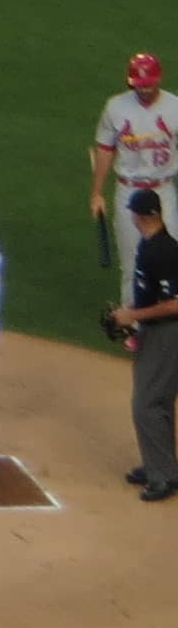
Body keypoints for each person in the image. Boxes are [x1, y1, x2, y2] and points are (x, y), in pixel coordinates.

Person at [93, 55, 178, 311]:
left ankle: (170, 318)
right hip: (129, 190)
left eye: (148, 82)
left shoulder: (175, 107)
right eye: (139, 83)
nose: (143, 88)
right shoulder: (115, 107)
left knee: (172, 254)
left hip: (163, 188)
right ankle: (133, 321)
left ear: (158, 79)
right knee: (132, 261)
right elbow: (105, 149)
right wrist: (96, 193)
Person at [114, 185, 178, 503]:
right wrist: (134, 326)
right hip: (153, 330)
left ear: (138, 216)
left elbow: (176, 303)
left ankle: (163, 476)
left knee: (148, 404)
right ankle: (160, 465)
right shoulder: (149, 245)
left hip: (169, 332)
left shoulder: (165, 252)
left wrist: (133, 315)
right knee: (157, 401)